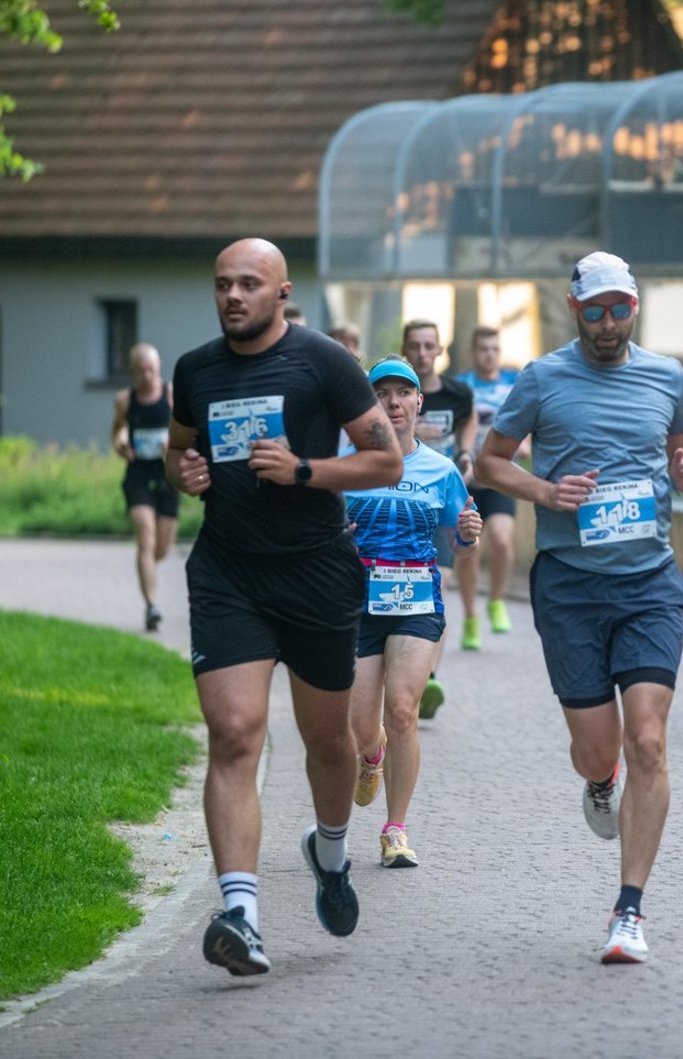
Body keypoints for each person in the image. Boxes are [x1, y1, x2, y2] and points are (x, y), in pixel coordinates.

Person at [165, 237, 403, 978]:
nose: (232, 296)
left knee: (327, 741)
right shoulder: (195, 370)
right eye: (222, 285)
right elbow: (176, 452)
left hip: (316, 572)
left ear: (281, 292)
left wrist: (305, 470)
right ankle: (240, 914)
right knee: (234, 734)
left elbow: (386, 459)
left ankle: (329, 854)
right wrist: (189, 471)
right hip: (229, 572)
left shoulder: (324, 361)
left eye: (248, 284)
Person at [476, 250, 683, 964]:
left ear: (634, 308)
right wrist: (546, 493)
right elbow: (490, 461)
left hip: (648, 585)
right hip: (571, 587)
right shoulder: (542, 378)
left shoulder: (668, 376)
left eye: (621, 310)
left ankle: (628, 912)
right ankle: (599, 781)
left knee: (649, 741)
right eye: (595, 311)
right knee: (599, 750)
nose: (609, 324)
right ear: (575, 310)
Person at [344, 355, 482, 867]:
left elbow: (460, 540)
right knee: (361, 726)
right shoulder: (350, 465)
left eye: (404, 393)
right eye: (382, 394)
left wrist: (468, 537)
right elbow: (319, 534)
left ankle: (395, 830)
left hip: (416, 604)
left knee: (402, 709)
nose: (394, 402)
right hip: (357, 604)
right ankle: (371, 754)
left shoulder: (441, 470)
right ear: (370, 404)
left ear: (419, 403)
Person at [401, 319, 476, 716]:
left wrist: (465, 453)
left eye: (430, 345)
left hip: (441, 502)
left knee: (438, 584)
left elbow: (471, 420)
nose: (423, 353)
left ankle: (429, 676)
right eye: (415, 345)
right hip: (399, 504)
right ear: (405, 348)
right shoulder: (393, 394)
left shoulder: (457, 393)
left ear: (439, 351)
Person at [453, 326, 528, 643]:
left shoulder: (513, 382)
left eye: (494, 348)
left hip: (499, 475)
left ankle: (496, 599)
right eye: (483, 348)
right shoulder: (461, 386)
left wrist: (527, 444)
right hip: (468, 478)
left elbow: (530, 417)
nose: (489, 354)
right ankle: (470, 615)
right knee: (470, 549)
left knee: (499, 539)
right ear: (473, 352)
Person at [111, 342, 180, 632]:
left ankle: (146, 567)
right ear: (133, 372)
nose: (147, 376)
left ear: (159, 368)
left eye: (151, 370)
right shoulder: (125, 400)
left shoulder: (172, 394)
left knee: (161, 548)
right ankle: (151, 606)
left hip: (167, 475)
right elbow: (117, 431)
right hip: (138, 474)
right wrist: (121, 446)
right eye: (141, 371)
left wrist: (173, 446)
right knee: (145, 536)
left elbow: (188, 431)